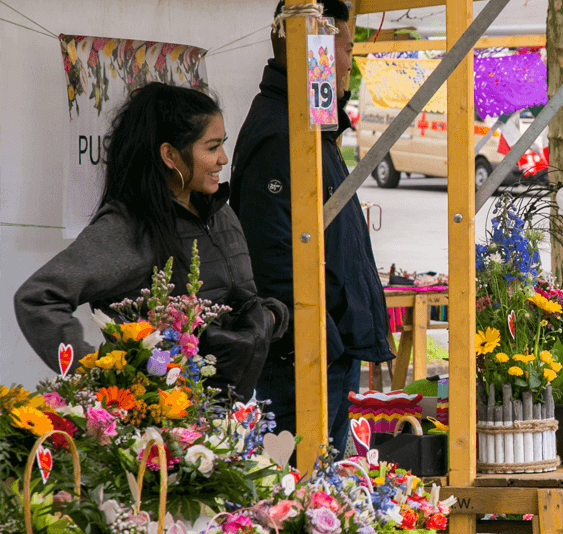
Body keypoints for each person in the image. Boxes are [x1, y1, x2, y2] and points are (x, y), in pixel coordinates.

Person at [15, 83, 288, 399]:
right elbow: (37, 298)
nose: (223, 159)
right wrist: (98, 377)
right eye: (212, 147)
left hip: (226, 421)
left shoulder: (220, 214)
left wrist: (270, 317)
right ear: (170, 155)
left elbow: (242, 299)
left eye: (222, 145)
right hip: (161, 430)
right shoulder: (129, 227)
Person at [231, 0, 393, 453]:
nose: (348, 62)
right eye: (344, 48)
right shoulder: (281, 131)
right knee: (302, 493)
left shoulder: (307, 124)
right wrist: (325, 340)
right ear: (315, 48)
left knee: (323, 489)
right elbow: (273, 256)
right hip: (302, 358)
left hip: (324, 352)